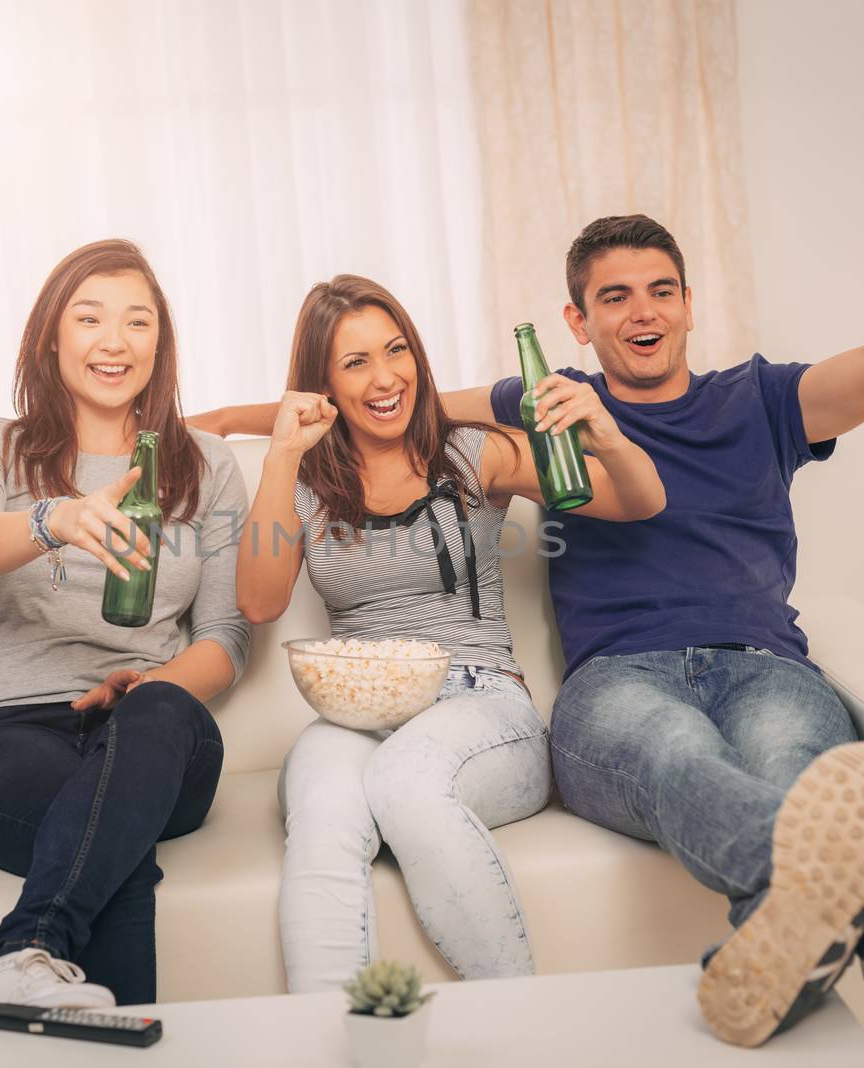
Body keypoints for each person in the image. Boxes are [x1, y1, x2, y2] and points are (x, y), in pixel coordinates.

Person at [193, 155, 864, 1046]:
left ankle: (769, 967)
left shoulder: (761, 399)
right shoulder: (547, 404)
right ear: (578, 321)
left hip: (764, 666)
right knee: (675, 749)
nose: (643, 312)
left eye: (661, 291)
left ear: (689, 303)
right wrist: (224, 429)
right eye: (616, 297)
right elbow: (393, 405)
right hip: (618, 682)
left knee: (788, 761)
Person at [236, 274, 664, 991]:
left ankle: (514, 1029)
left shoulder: (471, 453)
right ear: (325, 385)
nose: (384, 378)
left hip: (483, 702)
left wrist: (608, 434)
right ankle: (326, 1040)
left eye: (396, 350)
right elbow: (258, 601)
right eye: (355, 363)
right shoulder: (306, 481)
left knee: (406, 779)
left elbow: (640, 500)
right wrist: (279, 455)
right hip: (355, 710)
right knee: (322, 815)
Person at [0, 239, 249, 1015]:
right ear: (51, 336)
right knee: (114, 848)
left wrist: (146, 689)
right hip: (0, 733)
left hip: (153, 735)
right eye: (90, 318)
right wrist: (57, 517)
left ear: (159, 344)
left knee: (161, 713)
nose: (114, 342)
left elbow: (225, 639)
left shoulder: (208, 466)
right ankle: (41, 962)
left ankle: (21, 952)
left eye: (137, 323)